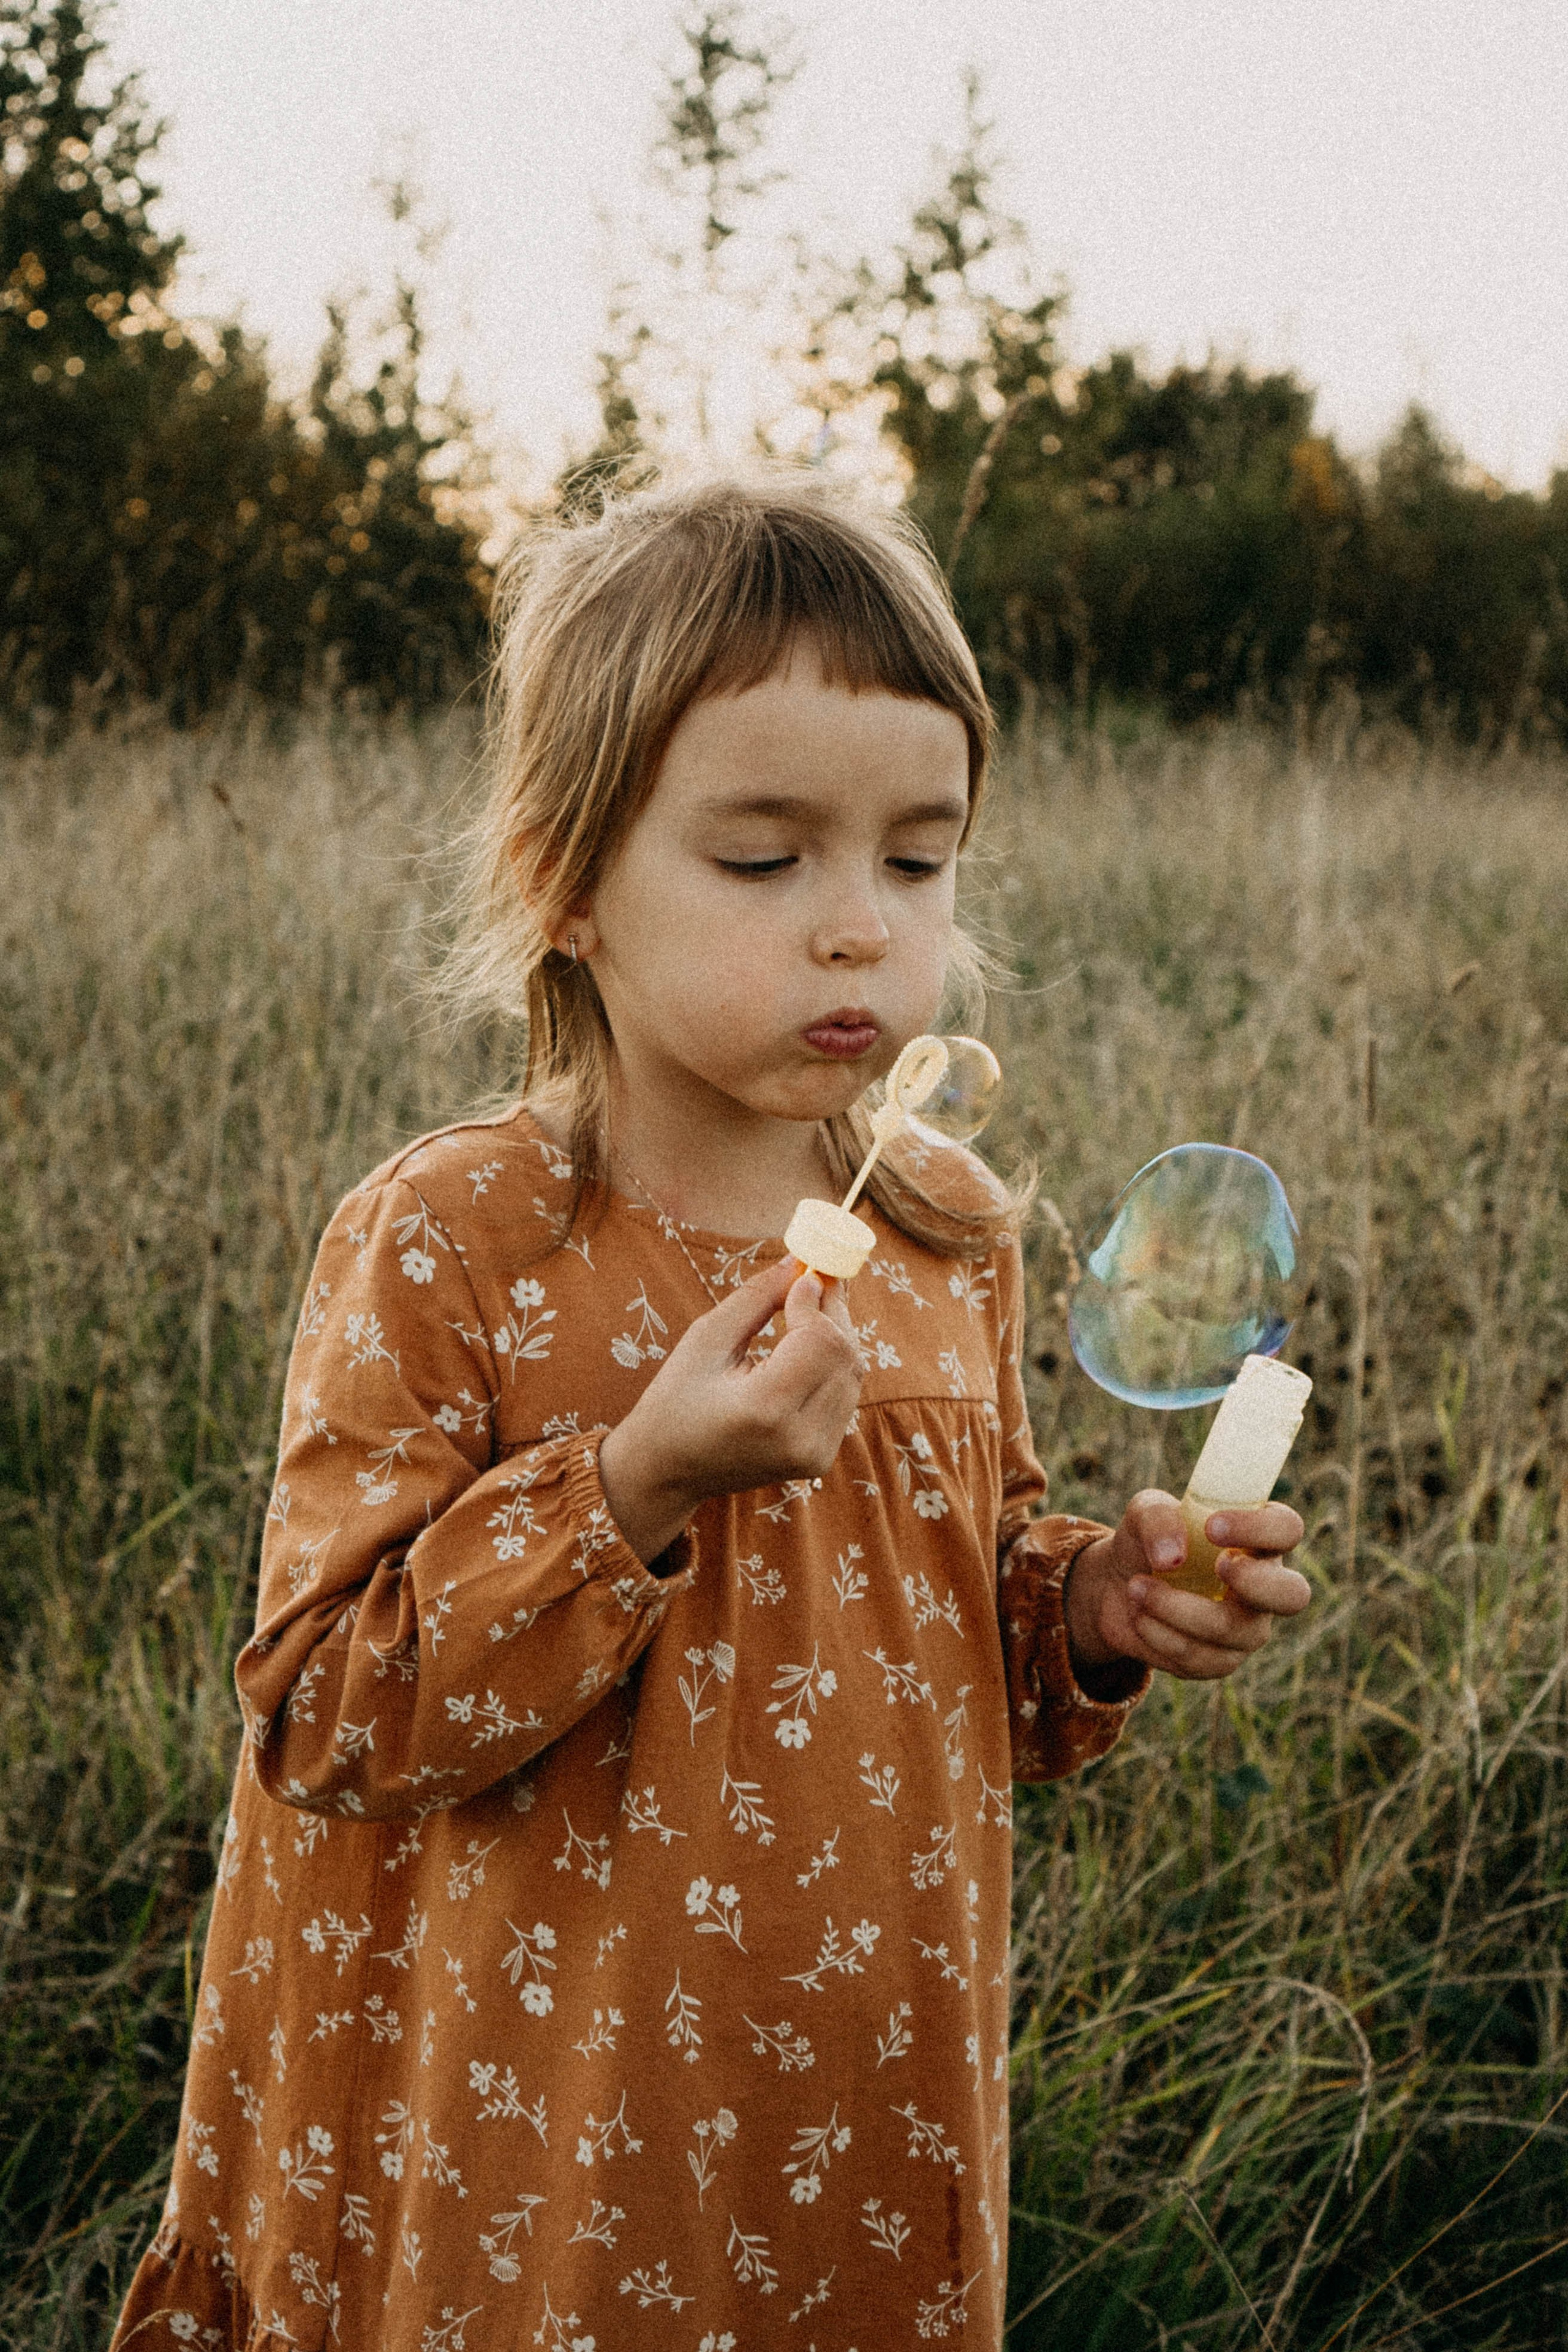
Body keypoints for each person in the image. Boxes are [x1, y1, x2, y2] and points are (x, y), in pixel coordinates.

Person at [112, 477, 1309, 2352]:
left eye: (917, 862)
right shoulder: (455, 1238)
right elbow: (325, 1707)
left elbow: (945, 1629)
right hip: (547, 2122)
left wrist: (1088, 1612)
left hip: (846, 2090)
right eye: (766, 861)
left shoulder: (945, 1235)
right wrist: (639, 1481)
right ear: (566, 882)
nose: (859, 930)